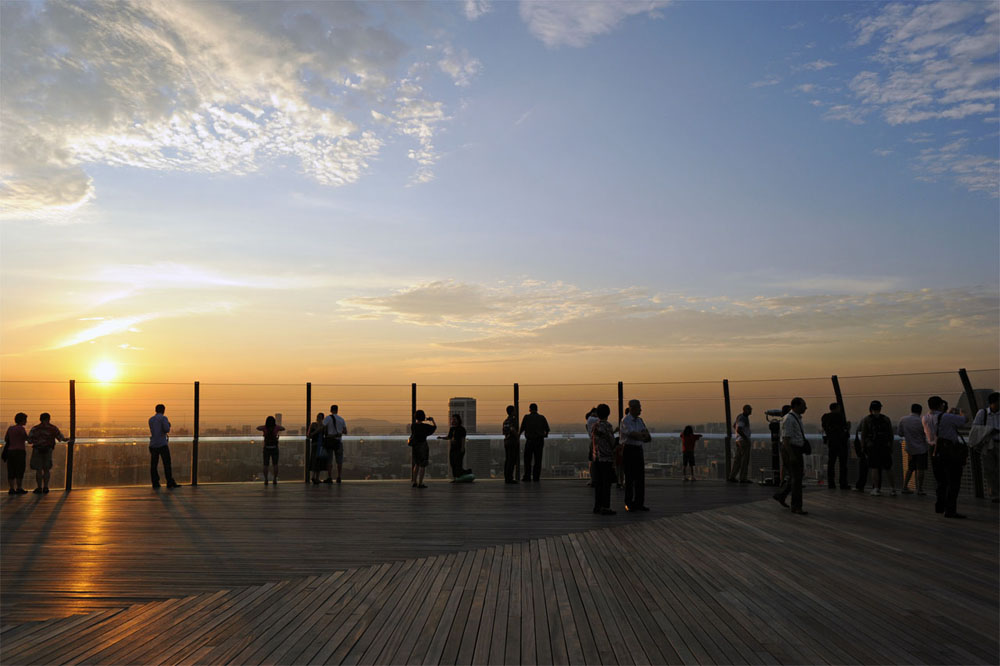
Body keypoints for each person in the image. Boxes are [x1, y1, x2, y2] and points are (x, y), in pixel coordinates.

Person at [925, 396, 968, 518]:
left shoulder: (925, 418)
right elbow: (965, 420)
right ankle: (950, 510)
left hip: (933, 451)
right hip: (948, 451)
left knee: (940, 481)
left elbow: (940, 421)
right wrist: (961, 411)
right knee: (953, 481)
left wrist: (947, 413)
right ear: (941, 405)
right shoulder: (947, 417)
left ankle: (940, 506)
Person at [773, 397, 808, 515]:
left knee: (795, 477)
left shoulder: (795, 418)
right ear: (796, 406)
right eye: (803, 405)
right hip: (792, 450)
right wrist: (792, 455)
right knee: (797, 479)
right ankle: (796, 506)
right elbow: (786, 440)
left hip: (794, 449)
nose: (805, 408)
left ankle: (781, 495)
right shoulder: (789, 419)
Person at [619, 399, 651, 511]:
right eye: (639, 407)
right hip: (629, 450)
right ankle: (629, 503)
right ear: (632, 408)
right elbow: (633, 434)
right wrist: (642, 435)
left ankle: (639, 503)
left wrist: (641, 435)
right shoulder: (625, 420)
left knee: (640, 478)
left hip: (638, 449)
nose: (641, 410)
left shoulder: (639, 420)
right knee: (630, 478)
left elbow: (646, 434)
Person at [860, 400, 896, 496]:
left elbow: (863, 435)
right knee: (888, 468)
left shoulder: (867, 420)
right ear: (880, 408)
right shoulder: (886, 419)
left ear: (870, 409)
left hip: (872, 447)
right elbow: (891, 435)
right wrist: (891, 446)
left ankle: (876, 488)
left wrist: (863, 447)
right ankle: (893, 489)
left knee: (874, 468)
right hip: (885, 446)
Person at [26, 412, 67, 494]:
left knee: (38, 469)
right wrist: (69, 439)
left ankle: (39, 487)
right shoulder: (53, 428)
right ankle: (46, 487)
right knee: (46, 469)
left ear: (40, 419)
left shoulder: (35, 428)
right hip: (48, 450)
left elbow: (29, 441)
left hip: (37, 450)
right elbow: (61, 438)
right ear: (49, 419)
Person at [972, 392, 999, 503]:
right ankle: (995, 494)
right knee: (990, 470)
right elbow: (975, 428)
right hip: (988, 444)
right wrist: (988, 430)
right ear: (995, 402)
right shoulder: (982, 413)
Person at [590, 403, 616, 515]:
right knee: (606, 484)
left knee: (598, 484)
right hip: (606, 458)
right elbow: (611, 442)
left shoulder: (594, 426)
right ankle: (606, 507)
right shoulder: (608, 426)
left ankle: (597, 506)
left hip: (596, 458)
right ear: (608, 414)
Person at [898, 404, 929, 495]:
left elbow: (900, 433)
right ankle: (919, 489)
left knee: (910, 468)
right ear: (920, 411)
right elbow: (926, 434)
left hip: (910, 448)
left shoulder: (903, 420)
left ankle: (904, 487)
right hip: (921, 448)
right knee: (921, 468)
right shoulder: (922, 421)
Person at [821, 403, 851, 490]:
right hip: (841, 442)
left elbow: (824, 428)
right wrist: (847, 427)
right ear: (837, 408)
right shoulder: (840, 417)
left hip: (831, 442)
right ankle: (843, 483)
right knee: (843, 464)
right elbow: (844, 429)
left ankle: (831, 483)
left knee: (831, 463)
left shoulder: (825, 417)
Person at [148, 404, 178, 489]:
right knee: (167, 463)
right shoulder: (164, 419)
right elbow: (166, 429)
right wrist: (168, 424)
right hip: (162, 444)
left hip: (153, 444)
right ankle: (169, 481)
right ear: (163, 410)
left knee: (154, 465)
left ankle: (155, 482)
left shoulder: (151, 420)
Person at [519, 403, 549, 482]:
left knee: (527, 460)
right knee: (538, 460)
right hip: (539, 441)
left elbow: (522, 428)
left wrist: (518, 436)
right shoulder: (542, 418)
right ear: (537, 409)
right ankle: (536, 477)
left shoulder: (526, 417)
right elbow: (547, 429)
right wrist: (544, 435)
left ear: (530, 409)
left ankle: (527, 476)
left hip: (529, 441)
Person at [3, 412, 29, 495]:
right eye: (25, 420)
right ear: (22, 420)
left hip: (10, 451)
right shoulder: (21, 429)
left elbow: (6, 438)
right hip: (20, 451)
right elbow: (26, 438)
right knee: (20, 470)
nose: (26, 421)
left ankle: (11, 488)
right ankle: (19, 488)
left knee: (11, 470)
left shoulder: (10, 428)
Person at [410, 410, 436, 488]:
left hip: (415, 446)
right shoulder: (425, 426)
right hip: (423, 446)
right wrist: (432, 420)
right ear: (423, 417)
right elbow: (434, 428)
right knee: (422, 465)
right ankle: (420, 483)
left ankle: (414, 481)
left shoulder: (413, 426)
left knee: (416, 464)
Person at [256, 415, 285, 485]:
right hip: (274, 448)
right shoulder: (276, 428)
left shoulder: (265, 428)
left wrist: (265, 427)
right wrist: (276, 427)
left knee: (266, 465)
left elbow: (258, 428)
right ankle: (275, 479)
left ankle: (266, 480)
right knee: (275, 464)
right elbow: (283, 428)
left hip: (266, 448)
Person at [322, 405, 347, 484]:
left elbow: (322, 426)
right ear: (337, 410)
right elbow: (345, 431)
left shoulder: (328, 418)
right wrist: (339, 433)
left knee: (329, 460)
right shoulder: (341, 419)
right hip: (338, 442)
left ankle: (329, 477)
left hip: (329, 441)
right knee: (339, 461)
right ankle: (339, 477)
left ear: (330, 410)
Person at [728, 404, 753, 484]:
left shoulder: (739, 416)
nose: (751, 411)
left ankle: (732, 476)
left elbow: (734, 426)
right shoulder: (743, 418)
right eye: (749, 409)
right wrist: (746, 438)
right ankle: (743, 478)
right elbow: (739, 429)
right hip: (743, 441)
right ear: (745, 410)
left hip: (738, 440)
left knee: (737, 460)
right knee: (745, 460)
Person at [441, 413, 470, 479]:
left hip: (459, 449)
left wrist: (462, 448)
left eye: (454, 419)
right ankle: (455, 478)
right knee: (452, 463)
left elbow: (463, 439)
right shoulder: (452, 429)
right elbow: (449, 437)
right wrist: (441, 438)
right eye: (452, 419)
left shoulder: (462, 429)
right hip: (453, 449)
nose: (453, 421)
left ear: (458, 420)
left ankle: (460, 476)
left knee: (458, 464)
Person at [308, 412, 326, 485]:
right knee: (316, 461)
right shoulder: (315, 425)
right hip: (317, 445)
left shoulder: (321, 426)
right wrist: (318, 430)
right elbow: (309, 435)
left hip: (319, 445)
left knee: (318, 461)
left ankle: (316, 477)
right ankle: (314, 477)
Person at [502, 405, 519, 484]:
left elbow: (504, 432)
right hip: (512, 442)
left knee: (508, 459)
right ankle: (510, 478)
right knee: (511, 460)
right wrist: (517, 436)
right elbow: (512, 429)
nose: (516, 412)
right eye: (514, 410)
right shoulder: (513, 420)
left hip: (506, 442)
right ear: (512, 412)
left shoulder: (505, 421)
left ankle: (507, 477)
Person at [585, 407, 599, 486]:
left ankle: (593, 479)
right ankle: (594, 479)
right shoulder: (593, 420)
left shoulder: (589, 421)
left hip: (593, 442)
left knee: (592, 461)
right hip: (595, 443)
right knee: (594, 462)